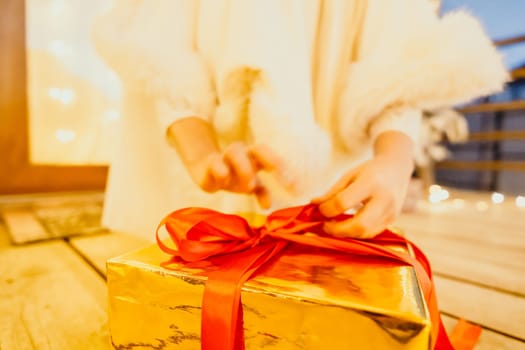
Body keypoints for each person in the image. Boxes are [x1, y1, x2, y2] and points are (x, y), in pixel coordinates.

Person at [93, 0, 507, 240]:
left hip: (326, 187)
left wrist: (395, 161)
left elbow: (399, 50)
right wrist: (200, 151)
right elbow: (162, 38)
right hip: (198, 166)